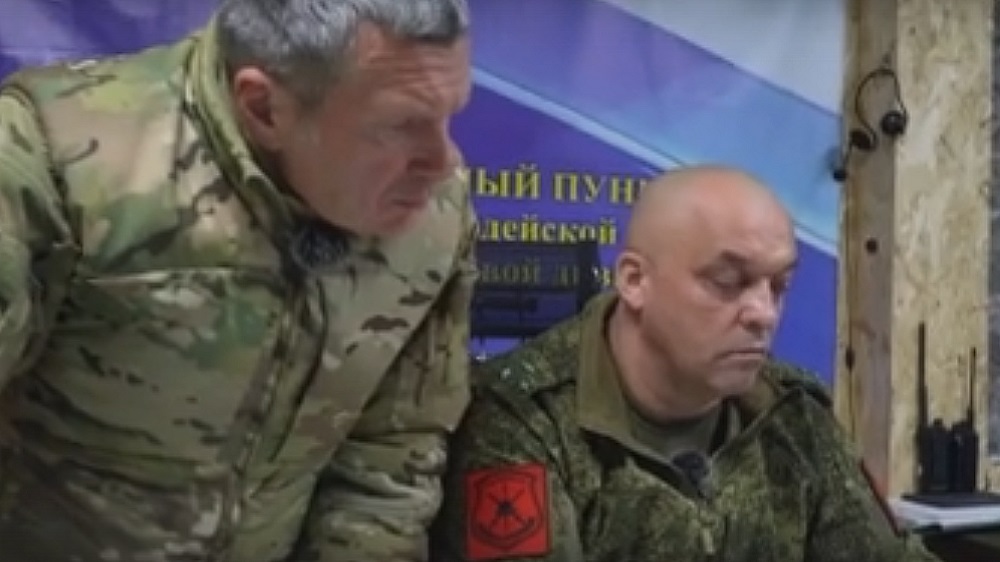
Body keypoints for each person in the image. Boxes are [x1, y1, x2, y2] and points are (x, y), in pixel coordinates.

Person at [0, 0, 475, 561]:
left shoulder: (431, 214)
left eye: (451, 116)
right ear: (264, 108)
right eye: (401, 125)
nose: (443, 162)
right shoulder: (56, 158)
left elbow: (390, 452)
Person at [430, 165, 942, 561]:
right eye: (728, 282)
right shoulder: (520, 420)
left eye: (779, 285)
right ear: (634, 281)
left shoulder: (793, 412)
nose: (764, 313)